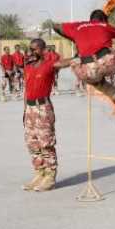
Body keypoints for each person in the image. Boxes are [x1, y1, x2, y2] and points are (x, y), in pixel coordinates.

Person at [22, 38, 70, 192]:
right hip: (29, 109)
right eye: (31, 49)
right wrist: (25, 111)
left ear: (43, 50)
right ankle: (39, 173)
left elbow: (65, 63)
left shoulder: (49, 64)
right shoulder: (28, 67)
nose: (32, 52)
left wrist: (85, 56)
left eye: (35, 49)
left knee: (46, 144)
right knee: (33, 143)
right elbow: (26, 90)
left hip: (43, 108)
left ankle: (50, 176)